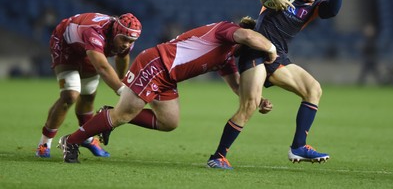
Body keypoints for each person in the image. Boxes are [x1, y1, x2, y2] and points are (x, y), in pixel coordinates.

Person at [57, 17, 278, 163]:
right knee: (123, 114)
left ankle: (106, 115)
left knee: (169, 121)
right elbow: (249, 36)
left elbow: (238, 86)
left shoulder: (227, 57)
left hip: (167, 77)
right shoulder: (226, 30)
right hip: (157, 63)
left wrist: (258, 100)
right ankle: (71, 141)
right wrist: (270, 48)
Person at [207, 0, 352, 169]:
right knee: (249, 106)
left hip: (279, 56)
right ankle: (217, 156)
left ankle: (298, 147)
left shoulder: (317, 4)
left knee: (313, 89)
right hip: (256, 49)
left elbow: (332, 12)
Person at [35, 12, 142, 158]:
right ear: (116, 31)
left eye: (131, 41)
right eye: (124, 39)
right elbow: (102, 68)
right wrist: (123, 90)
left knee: (88, 95)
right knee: (70, 95)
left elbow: (122, 57)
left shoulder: (126, 35)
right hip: (65, 44)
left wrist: (122, 80)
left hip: (88, 49)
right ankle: (44, 144)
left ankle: (86, 137)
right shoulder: (94, 31)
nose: (127, 44)